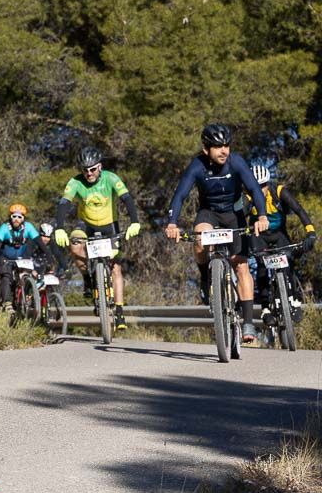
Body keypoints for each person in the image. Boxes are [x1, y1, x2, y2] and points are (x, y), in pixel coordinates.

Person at [164, 124, 268, 343]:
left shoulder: (236, 162)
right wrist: (172, 223)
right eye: (218, 147)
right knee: (200, 238)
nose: (224, 151)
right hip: (209, 212)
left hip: (234, 213)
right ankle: (205, 278)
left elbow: (255, 189)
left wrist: (262, 216)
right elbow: (180, 195)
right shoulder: (197, 165)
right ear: (206, 149)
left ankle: (248, 323)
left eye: (227, 146)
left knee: (240, 265)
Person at [53, 147, 142, 330]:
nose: (88, 173)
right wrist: (59, 228)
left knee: (115, 268)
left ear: (100, 167)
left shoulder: (111, 178)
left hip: (110, 225)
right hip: (86, 225)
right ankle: (87, 277)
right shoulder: (75, 182)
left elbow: (126, 198)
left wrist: (135, 222)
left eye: (92, 169)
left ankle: (118, 312)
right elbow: (64, 203)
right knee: (75, 244)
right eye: (84, 170)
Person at [245, 164, 315, 315]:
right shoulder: (248, 197)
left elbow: (299, 210)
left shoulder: (278, 191)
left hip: (279, 234)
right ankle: (265, 308)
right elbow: (238, 218)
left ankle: (293, 299)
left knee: (288, 260)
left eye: (263, 185)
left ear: (268, 184)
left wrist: (310, 232)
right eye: (256, 186)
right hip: (259, 236)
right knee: (261, 265)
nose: (260, 190)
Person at [0, 203, 49, 307]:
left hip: (22, 258)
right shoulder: (4, 228)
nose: (16, 219)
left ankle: (28, 299)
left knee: (28, 275)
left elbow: (40, 243)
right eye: (14, 216)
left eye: (19, 217)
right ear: (10, 217)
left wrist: (49, 255)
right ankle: (7, 303)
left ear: (23, 219)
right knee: (6, 276)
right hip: (6, 258)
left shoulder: (29, 227)